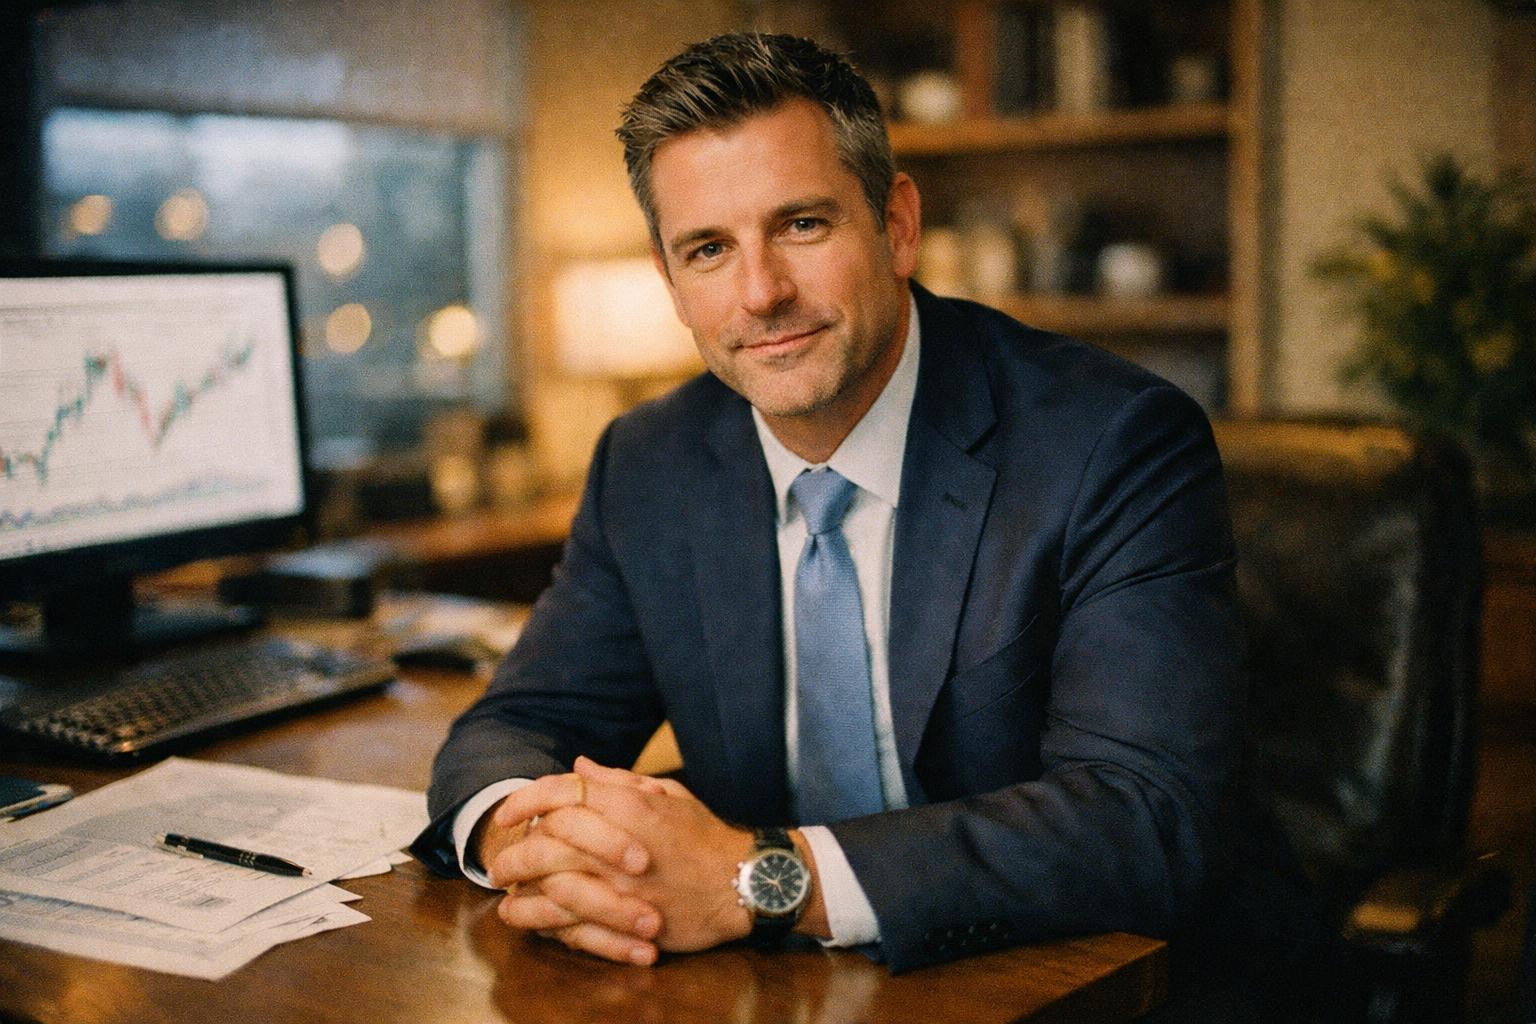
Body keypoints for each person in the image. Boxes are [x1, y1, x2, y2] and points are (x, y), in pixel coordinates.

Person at [411, 31, 1264, 995]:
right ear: (672, 283)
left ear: (897, 226)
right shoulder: (649, 462)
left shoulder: (1112, 442)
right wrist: (533, 841)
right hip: (783, 989)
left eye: (803, 225)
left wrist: (756, 882)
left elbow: (1146, 819)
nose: (762, 292)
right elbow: (520, 723)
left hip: (1082, 982)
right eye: (709, 249)